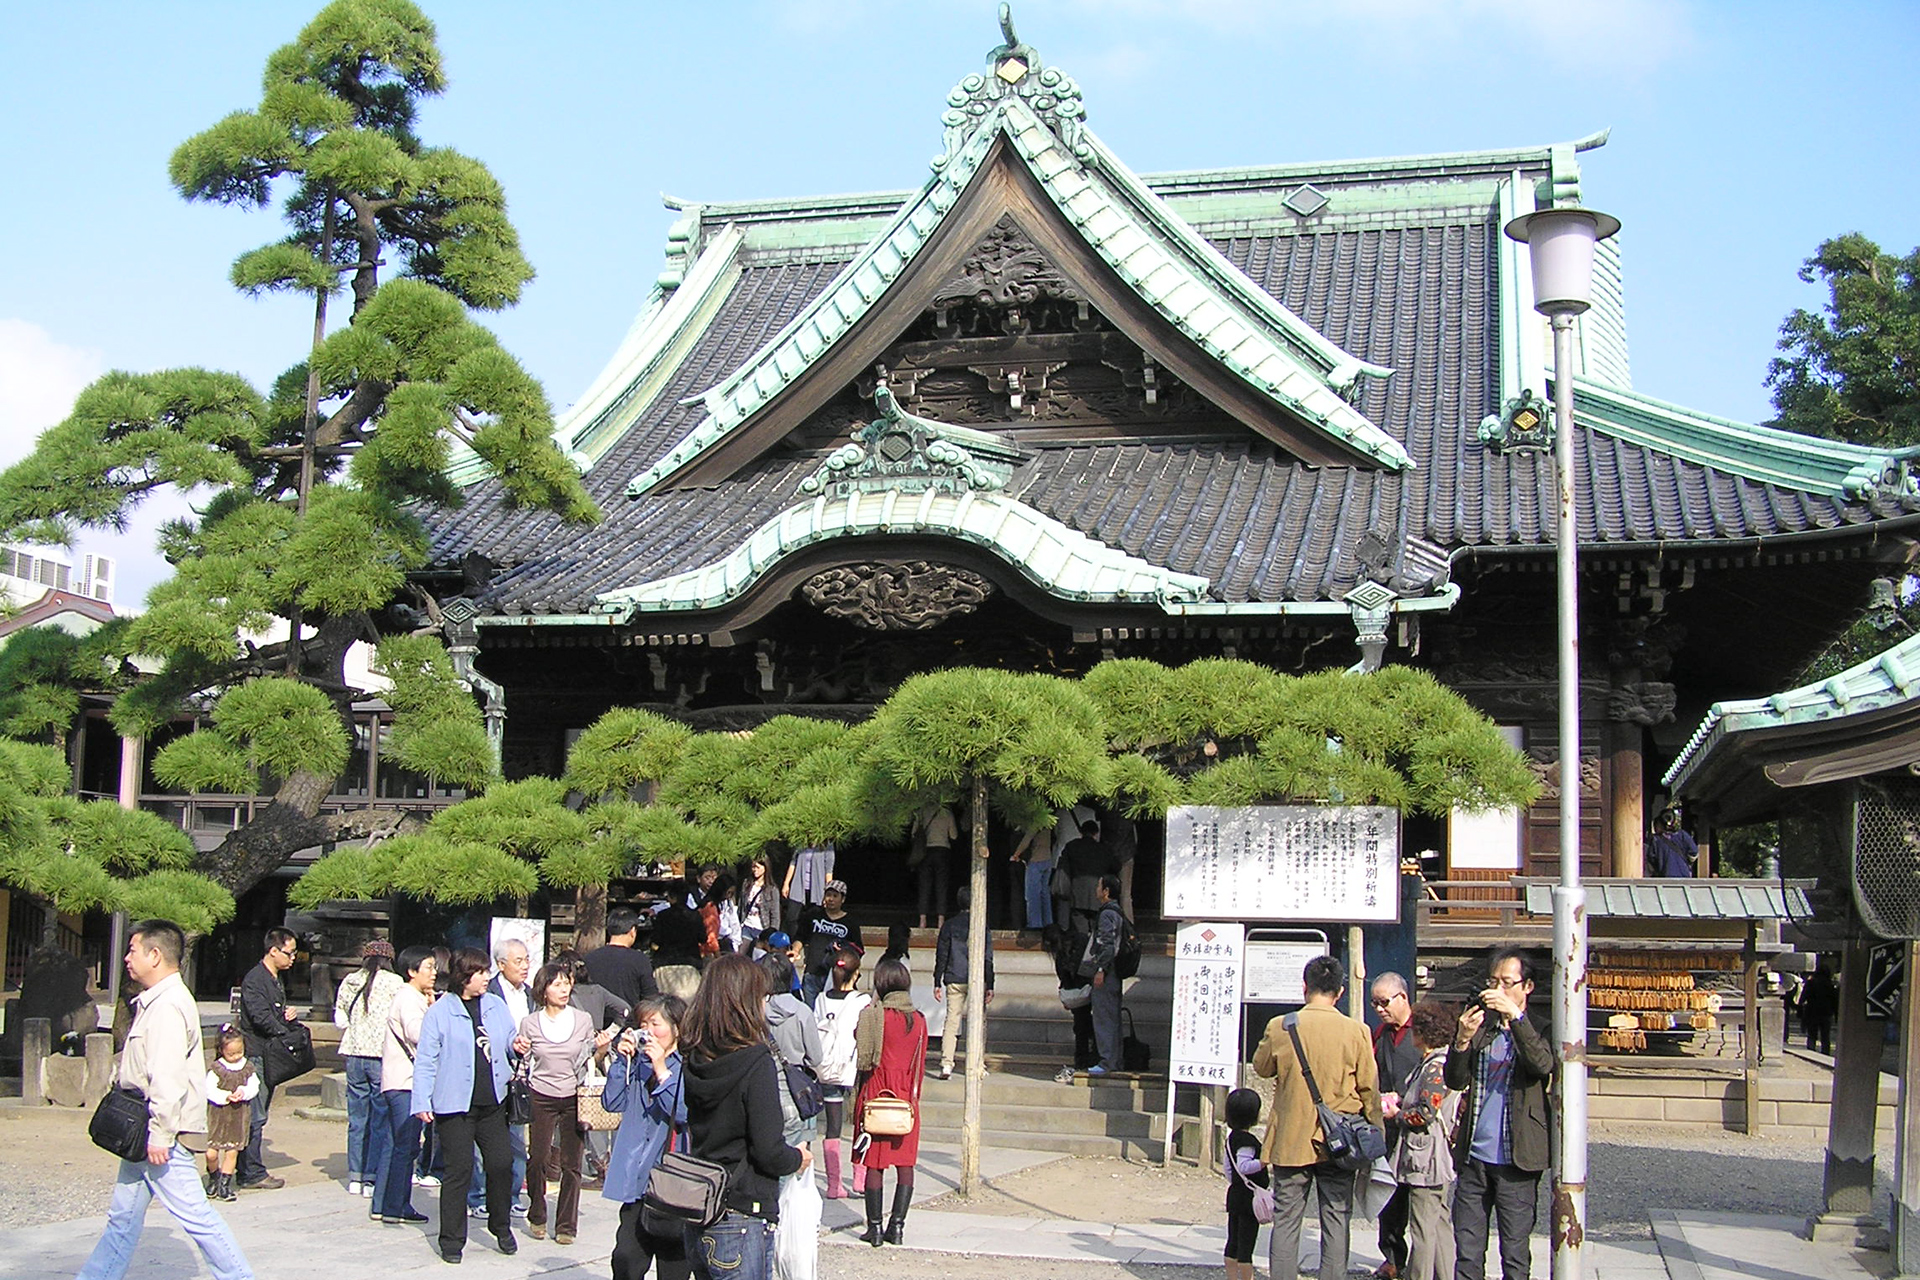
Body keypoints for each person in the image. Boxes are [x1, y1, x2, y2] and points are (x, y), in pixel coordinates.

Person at [76, 919, 254, 1280]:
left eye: (132, 950)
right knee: (122, 1220)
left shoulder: (169, 1005)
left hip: (160, 1133)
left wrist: (160, 1133)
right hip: (144, 1130)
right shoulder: (156, 1001)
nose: (126, 958)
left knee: (197, 1216)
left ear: (155, 955)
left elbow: (167, 1076)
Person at [680, 952, 812, 1280]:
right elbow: (768, 1150)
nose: (766, 1005)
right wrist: (798, 1158)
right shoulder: (755, 1062)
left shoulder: (695, 1056)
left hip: (702, 1203)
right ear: (746, 1002)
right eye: (762, 997)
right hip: (741, 1213)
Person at [1251, 954, 1381, 1280]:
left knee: (1286, 1219)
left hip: (1291, 1139)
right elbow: (1369, 1089)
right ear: (1340, 992)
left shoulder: (1281, 1026)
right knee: (1337, 1216)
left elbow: (1262, 1067)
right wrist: (1376, 1132)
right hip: (1340, 1141)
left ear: (1305, 987)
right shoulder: (1357, 1032)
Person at [1445, 947, 1556, 1280]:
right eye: (1493, 981)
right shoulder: (1482, 1024)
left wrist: (1516, 1019)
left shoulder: (1540, 1026)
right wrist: (1462, 1040)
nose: (1498, 989)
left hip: (1516, 1160)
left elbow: (1541, 1066)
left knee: (1515, 1254)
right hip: (1474, 1156)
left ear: (1527, 987)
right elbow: (1455, 1079)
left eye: (1508, 982)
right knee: (1467, 1251)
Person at [412, 946, 521, 1264]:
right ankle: (451, 1239)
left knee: (501, 1165)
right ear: (464, 976)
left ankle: (500, 1225)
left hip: (492, 1102)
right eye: (481, 972)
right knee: (458, 1172)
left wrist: (516, 1046)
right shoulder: (441, 1012)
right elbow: (426, 1060)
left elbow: (509, 1040)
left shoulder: (496, 1006)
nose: (487, 977)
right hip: (455, 1106)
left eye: (488, 971)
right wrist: (422, 1099)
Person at [512, 960, 611, 1245]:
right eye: (557, 984)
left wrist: (601, 1049)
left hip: (573, 1095)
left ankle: (567, 1224)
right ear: (543, 990)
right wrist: (519, 1049)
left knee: (572, 1163)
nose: (564, 988)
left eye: (566, 983)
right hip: (541, 1094)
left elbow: (591, 1060)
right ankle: (537, 1213)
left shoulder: (582, 1020)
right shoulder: (530, 1023)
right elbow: (524, 1060)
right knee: (539, 1158)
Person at [605, 995, 691, 1280]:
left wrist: (661, 1070)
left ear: (676, 1028)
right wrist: (621, 1061)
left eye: (656, 1024)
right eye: (644, 1025)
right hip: (636, 1179)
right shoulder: (637, 1064)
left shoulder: (687, 1067)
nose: (649, 1032)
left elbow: (682, 1113)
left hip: (673, 1183)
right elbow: (612, 1102)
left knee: (673, 1265)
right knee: (626, 1259)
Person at [851, 956, 927, 1247]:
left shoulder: (873, 1015)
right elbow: (919, 1064)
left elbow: (860, 1044)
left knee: (875, 1165)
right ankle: (897, 1227)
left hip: (875, 1094)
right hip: (905, 1098)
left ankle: (875, 1227)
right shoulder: (918, 1020)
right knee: (905, 1164)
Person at [1394, 1002, 1460, 1280]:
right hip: (1437, 1155)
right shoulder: (1438, 1062)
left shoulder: (1435, 1067)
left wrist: (1398, 1114)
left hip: (1426, 1157)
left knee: (1422, 1228)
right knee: (1440, 1223)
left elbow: (1425, 1113)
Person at [334, 938, 403, 1198]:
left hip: (353, 1053)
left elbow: (340, 1018)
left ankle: (355, 1175)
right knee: (379, 1117)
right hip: (379, 1054)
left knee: (357, 1118)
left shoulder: (350, 980)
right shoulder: (394, 984)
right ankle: (371, 1177)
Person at [374, 944, 436, 1227]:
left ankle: (384, 1203)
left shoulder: (410, 996)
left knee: (394, 1143)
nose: (434, 973)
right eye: (429, 967)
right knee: (406, 1146)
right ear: (412, 971)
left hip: (396, 1080)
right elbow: (417, 1033)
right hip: (406, 1082)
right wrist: (433, 1015)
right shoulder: (410, 998)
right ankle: (396, 1205)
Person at [472, 938, 533, 1221]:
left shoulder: (531, 995)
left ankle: (510, 1196)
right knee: (482, 1144)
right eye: (518, 961)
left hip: (521, 1076)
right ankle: (479, 1196)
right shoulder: (489, 995)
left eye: (526, 960)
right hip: (491, 1074)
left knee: (516, 1141)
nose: (524, 966)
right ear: (501, 964)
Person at [235, 927, 300, 1190]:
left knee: (259, 1112)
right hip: (256, 1052)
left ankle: (247, 1168)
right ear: (273, 951)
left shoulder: (273, 978)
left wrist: (284, 1016)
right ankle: (250, 1171)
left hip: (269, 1052)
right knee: (255, 1114)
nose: (293, 957)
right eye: (289, 952)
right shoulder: (256, 979)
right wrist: (283, 1030)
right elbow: (260, 1017)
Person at [1369, 971, 1420, 1280]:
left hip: (1417, 1125)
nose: (1379, 1008)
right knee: (1388, 1198)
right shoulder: (1381, 1034)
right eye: (1374, 1002)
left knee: (1421, 1200)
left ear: (1403, 997)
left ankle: (1423, 1262)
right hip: (1387, 1127)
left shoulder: (1422, 1030)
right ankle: (1392, 1259)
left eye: (1384, 1002)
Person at [813, 945, 872, 1200]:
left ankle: (833, 1184)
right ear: (856, 973)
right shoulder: (864, 1001)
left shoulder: (820, 999)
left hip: (826, 1068)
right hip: (854, 1069)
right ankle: (860, 1178)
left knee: (832, 1127)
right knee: (861, 1122)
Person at [759, 950, 824, 1143]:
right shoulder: (803, 1012)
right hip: (797, 1091)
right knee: (798, 1159)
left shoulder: (755, 1011)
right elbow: (816, 1058)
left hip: (763, 1087)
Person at [933, 885, 994, 1081]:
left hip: (954, 975)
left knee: (952, 1020)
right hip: (976, 977)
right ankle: (977, 1062)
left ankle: (946, 1063)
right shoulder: (981, 924)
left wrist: (937, 979)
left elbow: (942, 953)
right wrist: (990, 982)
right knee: (978, 1022)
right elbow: (987, 957)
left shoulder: (949, 925)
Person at [1078, 874, 1127, 1077]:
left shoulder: (1107, 914)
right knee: (1113, 1017)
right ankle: (1115, 1060)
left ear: (1106, 891)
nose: (1096, 889)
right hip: (1115, 972)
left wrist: (1100, 969)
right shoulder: (1118, 912)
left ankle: (1106, 1061)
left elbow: (1107, 944)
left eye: (1099, 886)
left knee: (1104, 1017)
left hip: (1107, 972)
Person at [202, 1028, 258, 1202]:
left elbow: (254, 1086)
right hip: (218, 1116)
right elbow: (209, 1089)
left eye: (239, 1052)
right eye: (231, 1053)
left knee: (232, 1151)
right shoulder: (217, 1069)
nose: (236, 1056)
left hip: (238, 1115)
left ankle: (225, 1185)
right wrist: (225, 1096)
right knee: (211, 1152)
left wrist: (243, 1092)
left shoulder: (247, 1067)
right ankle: (214, 1177)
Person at [1221, 1087, 1268, 1280]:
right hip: (1249, 1199)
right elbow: (1244, 1165)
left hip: (1235, 1194)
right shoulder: (1247, 1140)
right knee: (1246, 1244)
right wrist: (1264, 1162)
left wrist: (1236, 1183)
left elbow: (1228, 1169)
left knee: (1233, 1240)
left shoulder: (1231, 1138)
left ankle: (1232, 1277)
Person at [796, 879, 863, 1005]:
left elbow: (858, 950)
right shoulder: (813, 915)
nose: (831, 899)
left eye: (835, 896)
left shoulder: (851, 922)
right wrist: (795, 950)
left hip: (836, 976)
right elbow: (801, 937)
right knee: (810, 1011)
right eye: (828, 895)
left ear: (842, 899)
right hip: (813, 971)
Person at [585, 907, 661, 1010]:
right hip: (628, 1020)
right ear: (633, 931)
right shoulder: (640, 960)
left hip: (596, 1019)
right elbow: (651, 997)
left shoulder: (590, 958)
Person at [1058, 820, 1118, 932]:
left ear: (1081, 832)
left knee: (1080, 929)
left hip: (1077, 893)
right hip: (1097, 893)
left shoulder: (1072, 846)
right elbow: (1115, 866)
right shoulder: (1104, 849)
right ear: (1096, 833)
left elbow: (1063, 867)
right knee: (1097, 929)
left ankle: (1082, 947)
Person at [913, 803, 958, 928]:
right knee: (941, 886)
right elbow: (954, 835)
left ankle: (922, 920)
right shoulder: (947, 812)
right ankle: (941, 920)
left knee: (924, 886)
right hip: (942, 850)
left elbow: (914, 833)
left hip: (925, 851)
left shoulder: (922, 811)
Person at [1011, 824, 1053, 934]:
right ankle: (1048, 922)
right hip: (1048, 859)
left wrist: (1016, 855)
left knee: (1032, 894)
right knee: (1045, 894)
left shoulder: (1035, 823)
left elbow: (1026, 841)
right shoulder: (1048, 824)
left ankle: (1035, 924)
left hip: (1035, 861)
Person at [783, 841, 835, 927]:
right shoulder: (800, 841)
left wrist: (828, 893)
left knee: (814, 919)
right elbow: (793, 863)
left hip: (817, 888)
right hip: (798, 885)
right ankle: (794, 939)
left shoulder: (827, 844)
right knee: (791, 918)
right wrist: (786, 883)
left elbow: (829, 871)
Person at [738, 856, 781, 948]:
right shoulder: (747, 884)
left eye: (758, 867)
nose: (755, 870)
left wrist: (772, 934)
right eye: (753, 867)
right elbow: (741, 906)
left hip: (762, 927)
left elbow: (775, 915)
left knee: (758, 956)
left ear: (765, 868)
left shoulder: (772, 889)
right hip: (747, 925)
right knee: (741, 952)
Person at [1645, 807, 1698, 878]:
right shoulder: (1683, 835)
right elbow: (1694, 851)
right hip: (1683, 876)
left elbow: (1651, 858)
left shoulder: (1656, 840)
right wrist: (1687, 862)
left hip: (1665, 878)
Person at [1799, 959, 1837, 1055]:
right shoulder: (1830, 984)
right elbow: (1835, 999)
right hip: (1826, 1012)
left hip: (1812, 1011)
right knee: (1825, 1036)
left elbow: (1803, 996)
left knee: (1812, 1034)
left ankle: (1811, 1052)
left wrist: (1800, 1007)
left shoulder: (1811, 983)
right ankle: (1825, 1053)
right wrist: (1836, 1014)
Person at [711, 874, 744, 954]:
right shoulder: (711, 904)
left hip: (727, 941)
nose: (728, 896)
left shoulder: (728, 903)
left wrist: (735, 944)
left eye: (731, 893)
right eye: (728, 892)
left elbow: (734, 923)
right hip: (714, 942)